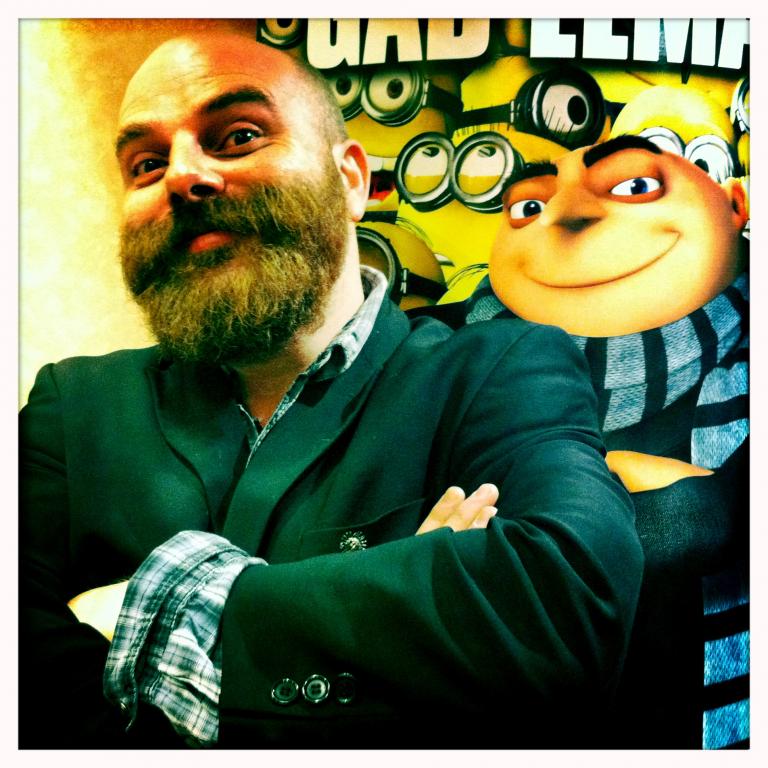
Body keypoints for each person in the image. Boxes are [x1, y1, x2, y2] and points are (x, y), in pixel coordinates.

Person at [19, 33, 642, 749]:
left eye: (238, 136)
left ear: (351, 180)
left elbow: (567, 606)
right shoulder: (74, 406)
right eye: (147, 164)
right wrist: (400, 598)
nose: (183, 176)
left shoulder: (498, 371)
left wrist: (157, 612)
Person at [438, 135, 749, 748]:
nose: (570, 214)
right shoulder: (435, 364)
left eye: (635, 185)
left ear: (735, 203)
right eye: (528, 207)